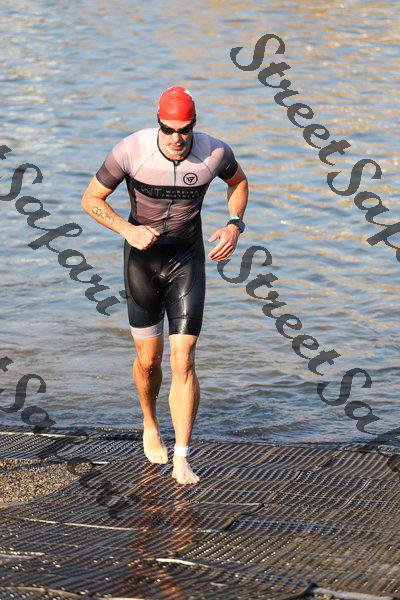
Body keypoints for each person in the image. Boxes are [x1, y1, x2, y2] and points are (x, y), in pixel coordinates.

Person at [81, 86, 248, 485]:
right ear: (159, 123)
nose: (177, 138)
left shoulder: (215, 152)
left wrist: (234, 225)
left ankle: (182, 455)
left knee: (183, 359)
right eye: (169, 129)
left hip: (186, 260)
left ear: (194, 125)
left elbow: (239, 182)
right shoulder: (130, 151)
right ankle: (150, 423)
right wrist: (127, 229)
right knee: (148, 361)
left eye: (184, 130)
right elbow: (91, 199)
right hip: (143, 261)